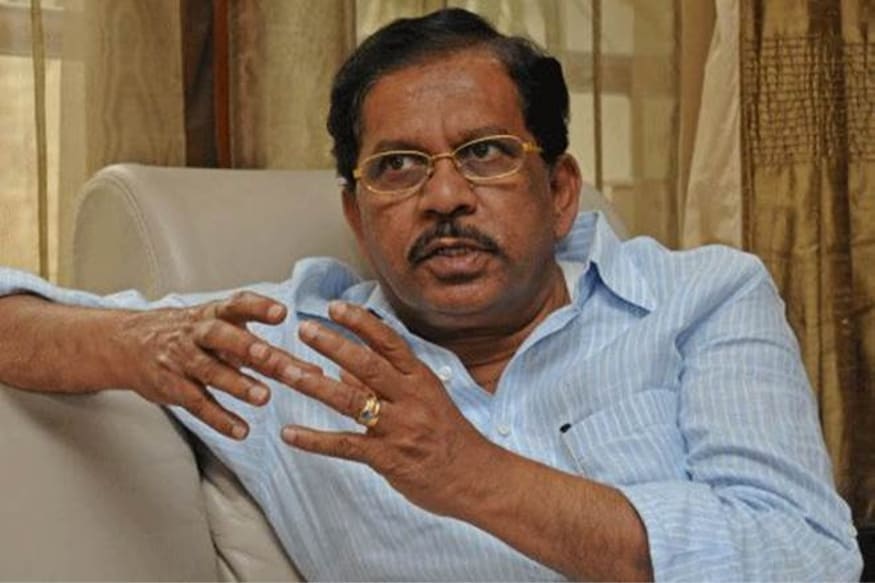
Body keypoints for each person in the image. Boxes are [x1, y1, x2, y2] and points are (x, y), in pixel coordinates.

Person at [0, 8, 863, 582]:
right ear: (356, 213)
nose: (444, 196)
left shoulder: (702, 299)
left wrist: (470, 475)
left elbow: (810, 559)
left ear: (560, 190)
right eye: (397, 165)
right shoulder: (291, 353)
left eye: (485, 152)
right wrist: (137, 341)